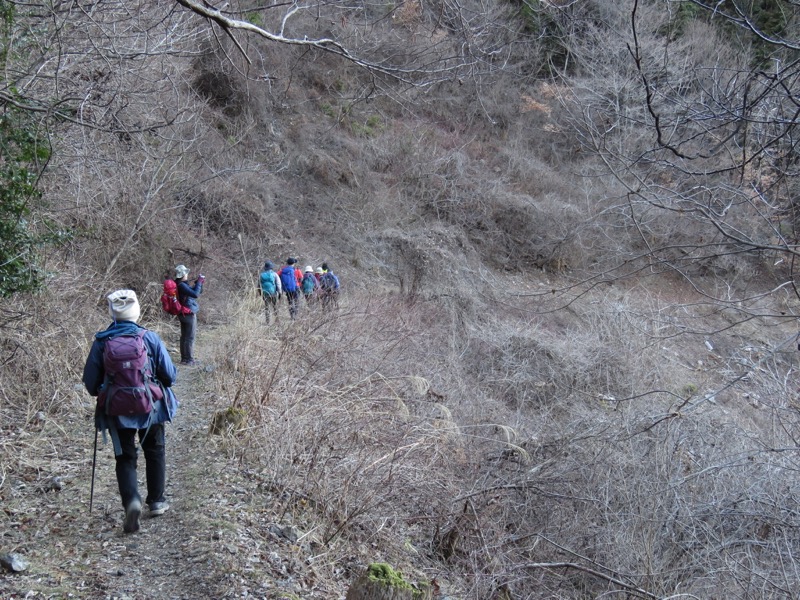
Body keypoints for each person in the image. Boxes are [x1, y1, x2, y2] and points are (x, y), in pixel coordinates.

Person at [83, 289, 178, 534]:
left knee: (125, 457)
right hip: (150, 407)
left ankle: (131, 501)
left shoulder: (102, 341)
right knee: (155, 449)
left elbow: (91, 383)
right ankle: (156, 501)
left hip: (116, 408)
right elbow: (170, 376)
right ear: (136, 311)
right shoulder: (149, 338)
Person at [174, 264, 204, 365]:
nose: (187, 274)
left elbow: (194, 293)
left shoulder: (179, 284)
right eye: (186, 273)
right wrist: (199, 282)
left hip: (183, 313)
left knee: (185, 336)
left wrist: (199, 284)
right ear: (183, 274)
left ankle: (184, 359)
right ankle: (189, 360)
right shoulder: (182, 285)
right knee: (190, 337)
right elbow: (195, 294)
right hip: (187, 313)